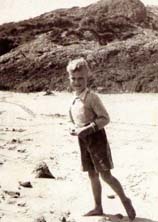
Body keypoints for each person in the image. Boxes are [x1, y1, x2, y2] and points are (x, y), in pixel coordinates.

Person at [66, 57, 136, 221]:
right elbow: (74, 118)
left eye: (81, 78)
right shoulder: (74, 98)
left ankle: (125, 200)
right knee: (92, 174)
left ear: (87, 78)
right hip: (83, 140)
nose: (77, 82)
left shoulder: (92, 97)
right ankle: (98, 206)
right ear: (69, 78)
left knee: (105, 175)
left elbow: (105, 118)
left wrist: (88, 128)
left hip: (96, 138)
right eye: (73, 78)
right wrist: (73, 128)